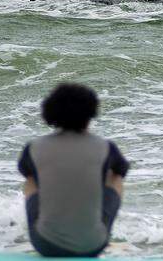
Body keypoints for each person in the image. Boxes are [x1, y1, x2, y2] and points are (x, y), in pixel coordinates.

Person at [19, 83, 128, 257]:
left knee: (32, 179)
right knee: (114, 176)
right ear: (91, 111)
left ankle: (50, 228)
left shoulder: (34, 147)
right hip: (92, 247)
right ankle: (97, 231)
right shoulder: (105, 147)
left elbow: (26, 172)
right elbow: (122, 170)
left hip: (46, 246)